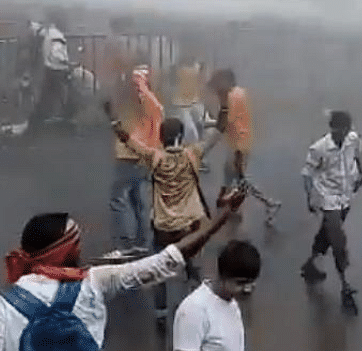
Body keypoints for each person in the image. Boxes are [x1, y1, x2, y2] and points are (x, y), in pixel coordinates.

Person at [0, 189, 246, 351]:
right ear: (65, 251)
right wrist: (223, 216)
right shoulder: (95, 283)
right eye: (76, 242)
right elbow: (168, 259)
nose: (81, 248)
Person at [111, 110, 225, 323]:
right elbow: (218, 132)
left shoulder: (155, 158)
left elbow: (128, 140)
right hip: (189, 226)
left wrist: (113, 119)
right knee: (192, 267)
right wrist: (225, 106)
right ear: (181, 136)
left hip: (163, 227)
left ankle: (161, 313)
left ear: (161, 138)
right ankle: (196, 308)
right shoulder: (193, 154)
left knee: (159, 269)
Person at [300, 109, 362, 296]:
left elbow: (357, 157)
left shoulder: (353, 139)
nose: (343, 134)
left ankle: (311, 263)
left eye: (345, 130)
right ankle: (345, 282)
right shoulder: (319, 148)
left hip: (346, 194)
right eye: (339, 130)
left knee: (326, 234)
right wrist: (309, 197)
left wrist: (361, 174)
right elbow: (307, 173)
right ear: (333, 129)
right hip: (327, 196)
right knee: (338, 239)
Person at [104, 64, 163, 260]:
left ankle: (124, 245)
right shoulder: (153, 103)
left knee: (118, 200)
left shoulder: (142, 101)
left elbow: (124, 134)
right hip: (144, 158)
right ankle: (142, 242)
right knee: (138, 201)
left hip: (129, 156)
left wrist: (112, 117)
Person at [208, 69, 281, 225]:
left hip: (239, 146)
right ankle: (228, 205)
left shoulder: (233, 96)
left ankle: (269, 203)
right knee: (230, 175)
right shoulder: (238, 93)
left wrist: (206, 144)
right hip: (238, 142)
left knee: (240, 178)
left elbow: (224, 122)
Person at [173, 240, 261, 351]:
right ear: (223, 276)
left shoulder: (232, 303)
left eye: (251, 282)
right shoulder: (194, 310)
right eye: (241, 283)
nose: (247, 289)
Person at [26, 10, 72, 133]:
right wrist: (66, 62)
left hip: (51, 68)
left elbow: (36, 30)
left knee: (48, 96)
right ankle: (54, 120)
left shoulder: (49, 34)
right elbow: (57, 53)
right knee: (57, 96)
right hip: (57, 68)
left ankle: (38, 122)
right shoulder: (55, 34)